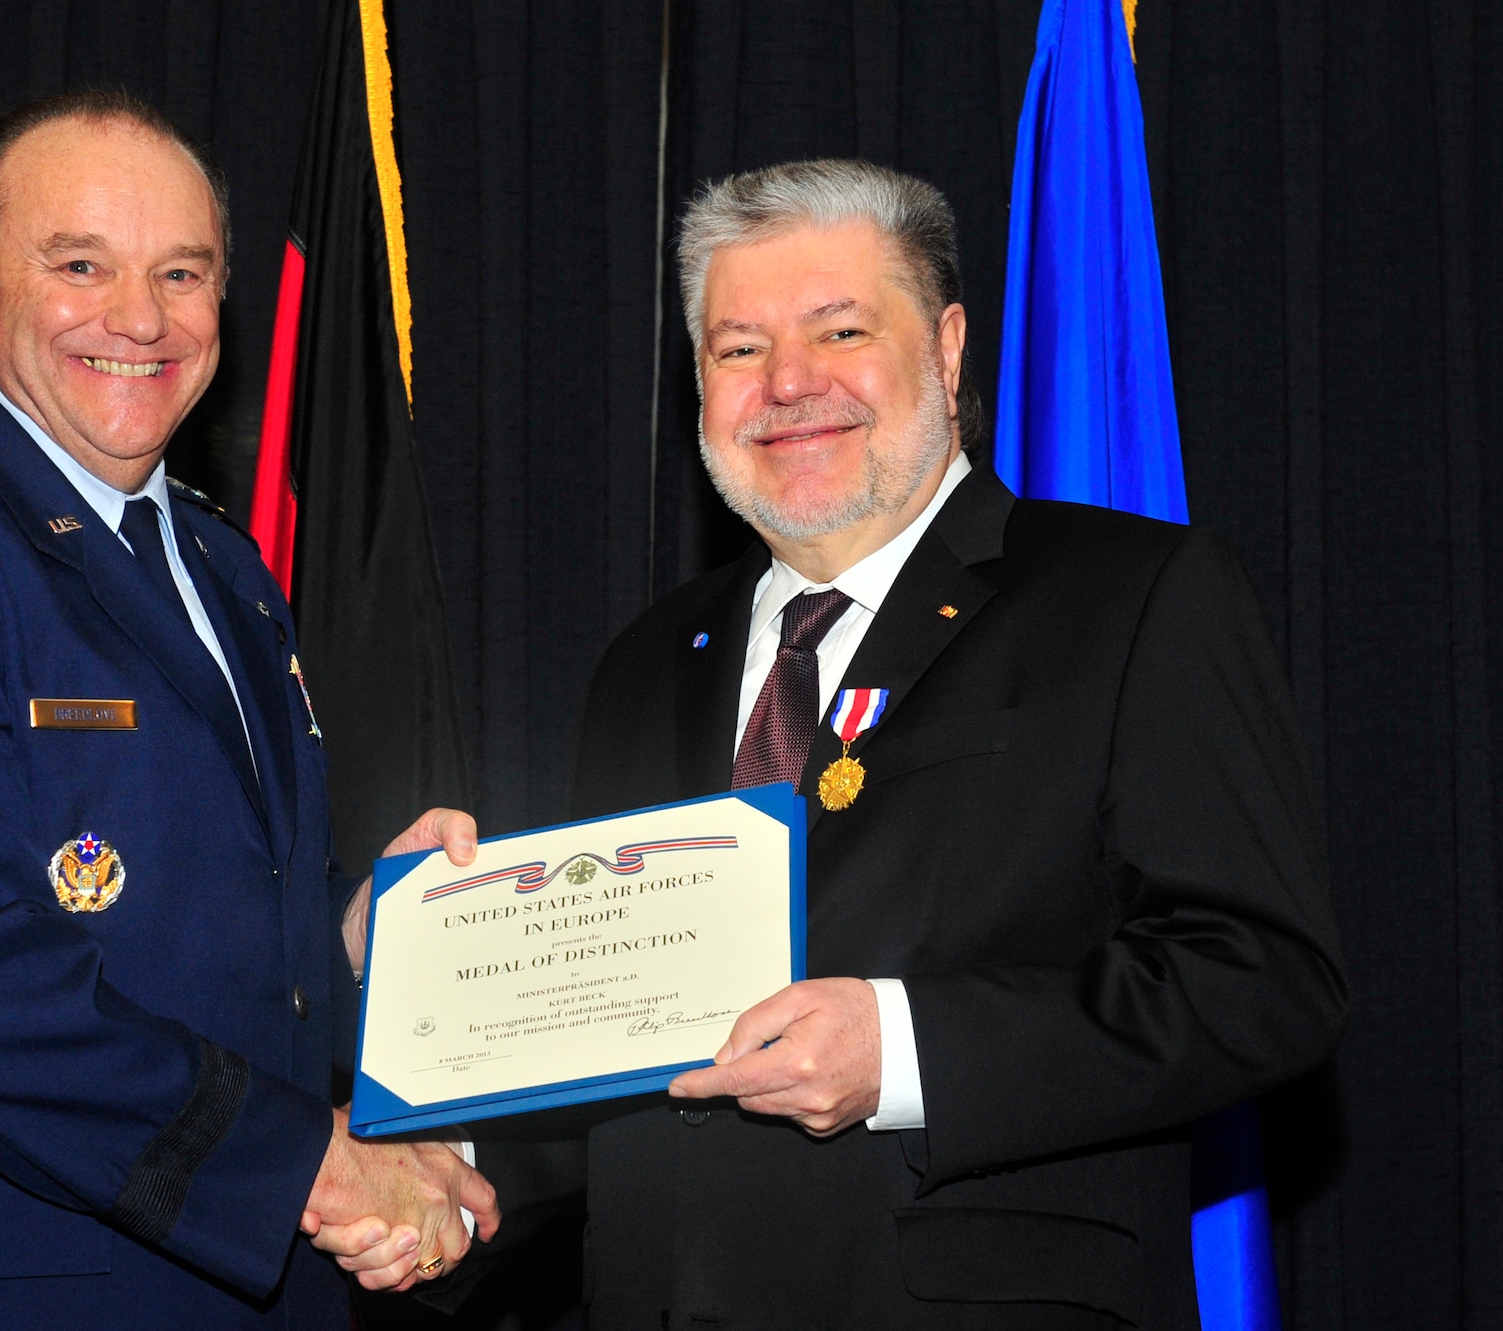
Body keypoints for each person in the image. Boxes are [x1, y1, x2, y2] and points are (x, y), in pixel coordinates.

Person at [493, 159, 1347, 1329]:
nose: (788, 383)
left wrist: (901, 1048)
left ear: (944, 349)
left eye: (838, 329)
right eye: (738, 347)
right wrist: (446, 1186)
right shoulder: (642, 663)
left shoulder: (1130, 596)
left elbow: (1262, 981)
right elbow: (615, 1038)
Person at [0, 90, 495, 1330]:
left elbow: (193, 927)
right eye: (79, 265)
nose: (138, 318)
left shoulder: (224, 570)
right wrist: (321, 1166)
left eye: (181, 274)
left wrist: (358, 934)